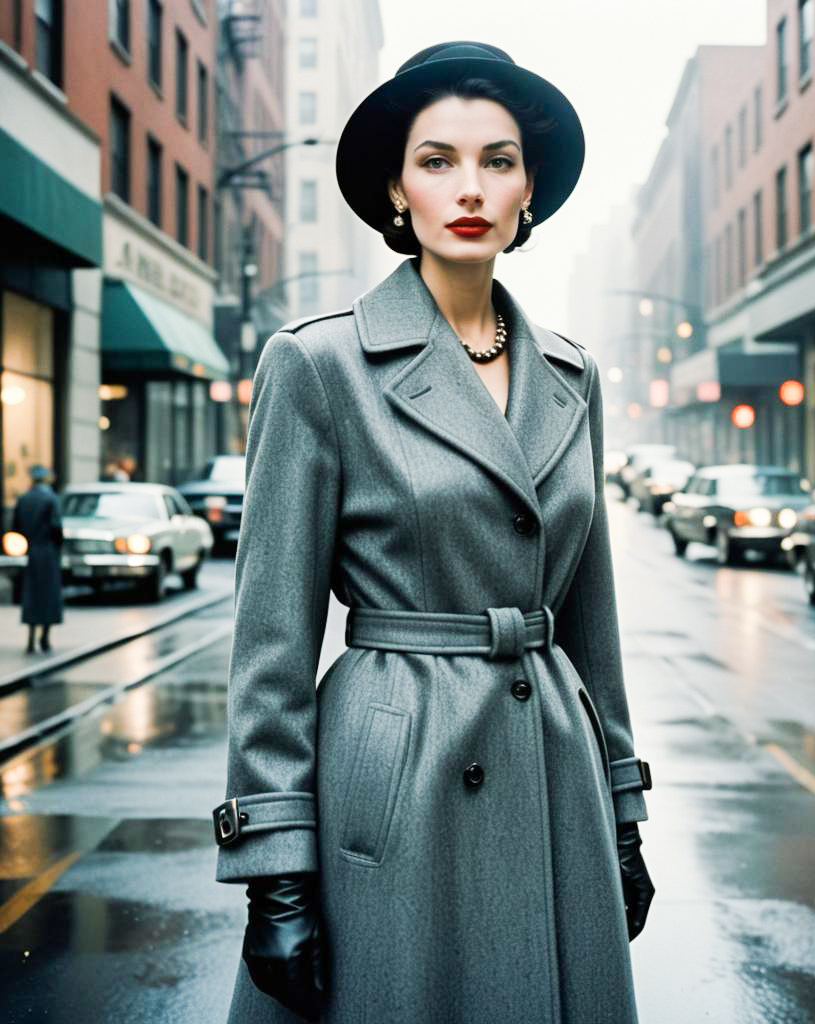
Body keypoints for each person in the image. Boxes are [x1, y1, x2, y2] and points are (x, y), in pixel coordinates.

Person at [213, 42, 654, 1024]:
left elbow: (595, 622)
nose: (470, 187)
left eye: (498, 161)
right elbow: (271, 641)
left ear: (528, 190)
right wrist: (275, 870)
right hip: (391, 770)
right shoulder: (318, 365)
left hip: (552, 769)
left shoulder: (571, 377)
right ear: (395, 189)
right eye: (437, 160)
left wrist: (621, 814)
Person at [13, 465, 64, 653]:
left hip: (31, 551)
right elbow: (56, 527)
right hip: (48, 551)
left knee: (32, 594)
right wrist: (58, 547)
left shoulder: (24, 498)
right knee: (48, 595)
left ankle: (30, 638)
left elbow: (16, 528)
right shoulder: (51, 498)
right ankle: (45, 637)